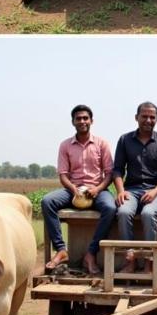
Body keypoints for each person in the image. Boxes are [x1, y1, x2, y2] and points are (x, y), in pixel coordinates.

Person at [41, 105, 115, 275]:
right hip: (72, 190)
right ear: (73, 122)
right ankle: (61, 250)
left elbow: (109, 173)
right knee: (47, 201)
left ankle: (91, 253)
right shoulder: (65, 145)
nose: (82, 121)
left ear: (91, 121)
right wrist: (73, 189)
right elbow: (63, 175)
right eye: (78, 118)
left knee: (110, 208)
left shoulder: (101, 144)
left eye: (85, 118)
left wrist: (97, 189)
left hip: (97, 190)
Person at [112, 102, 157, 273]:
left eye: (152, 117)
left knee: (148, 213)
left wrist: (154, 192)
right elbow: (117, 170)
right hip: (131, 190)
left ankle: (149, 262)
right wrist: (121, 191)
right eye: (144, 116)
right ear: (136, 118)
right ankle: (129, 261)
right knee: (123, 212)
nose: (148, 120)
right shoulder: (125, 140)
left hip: (155, 190)